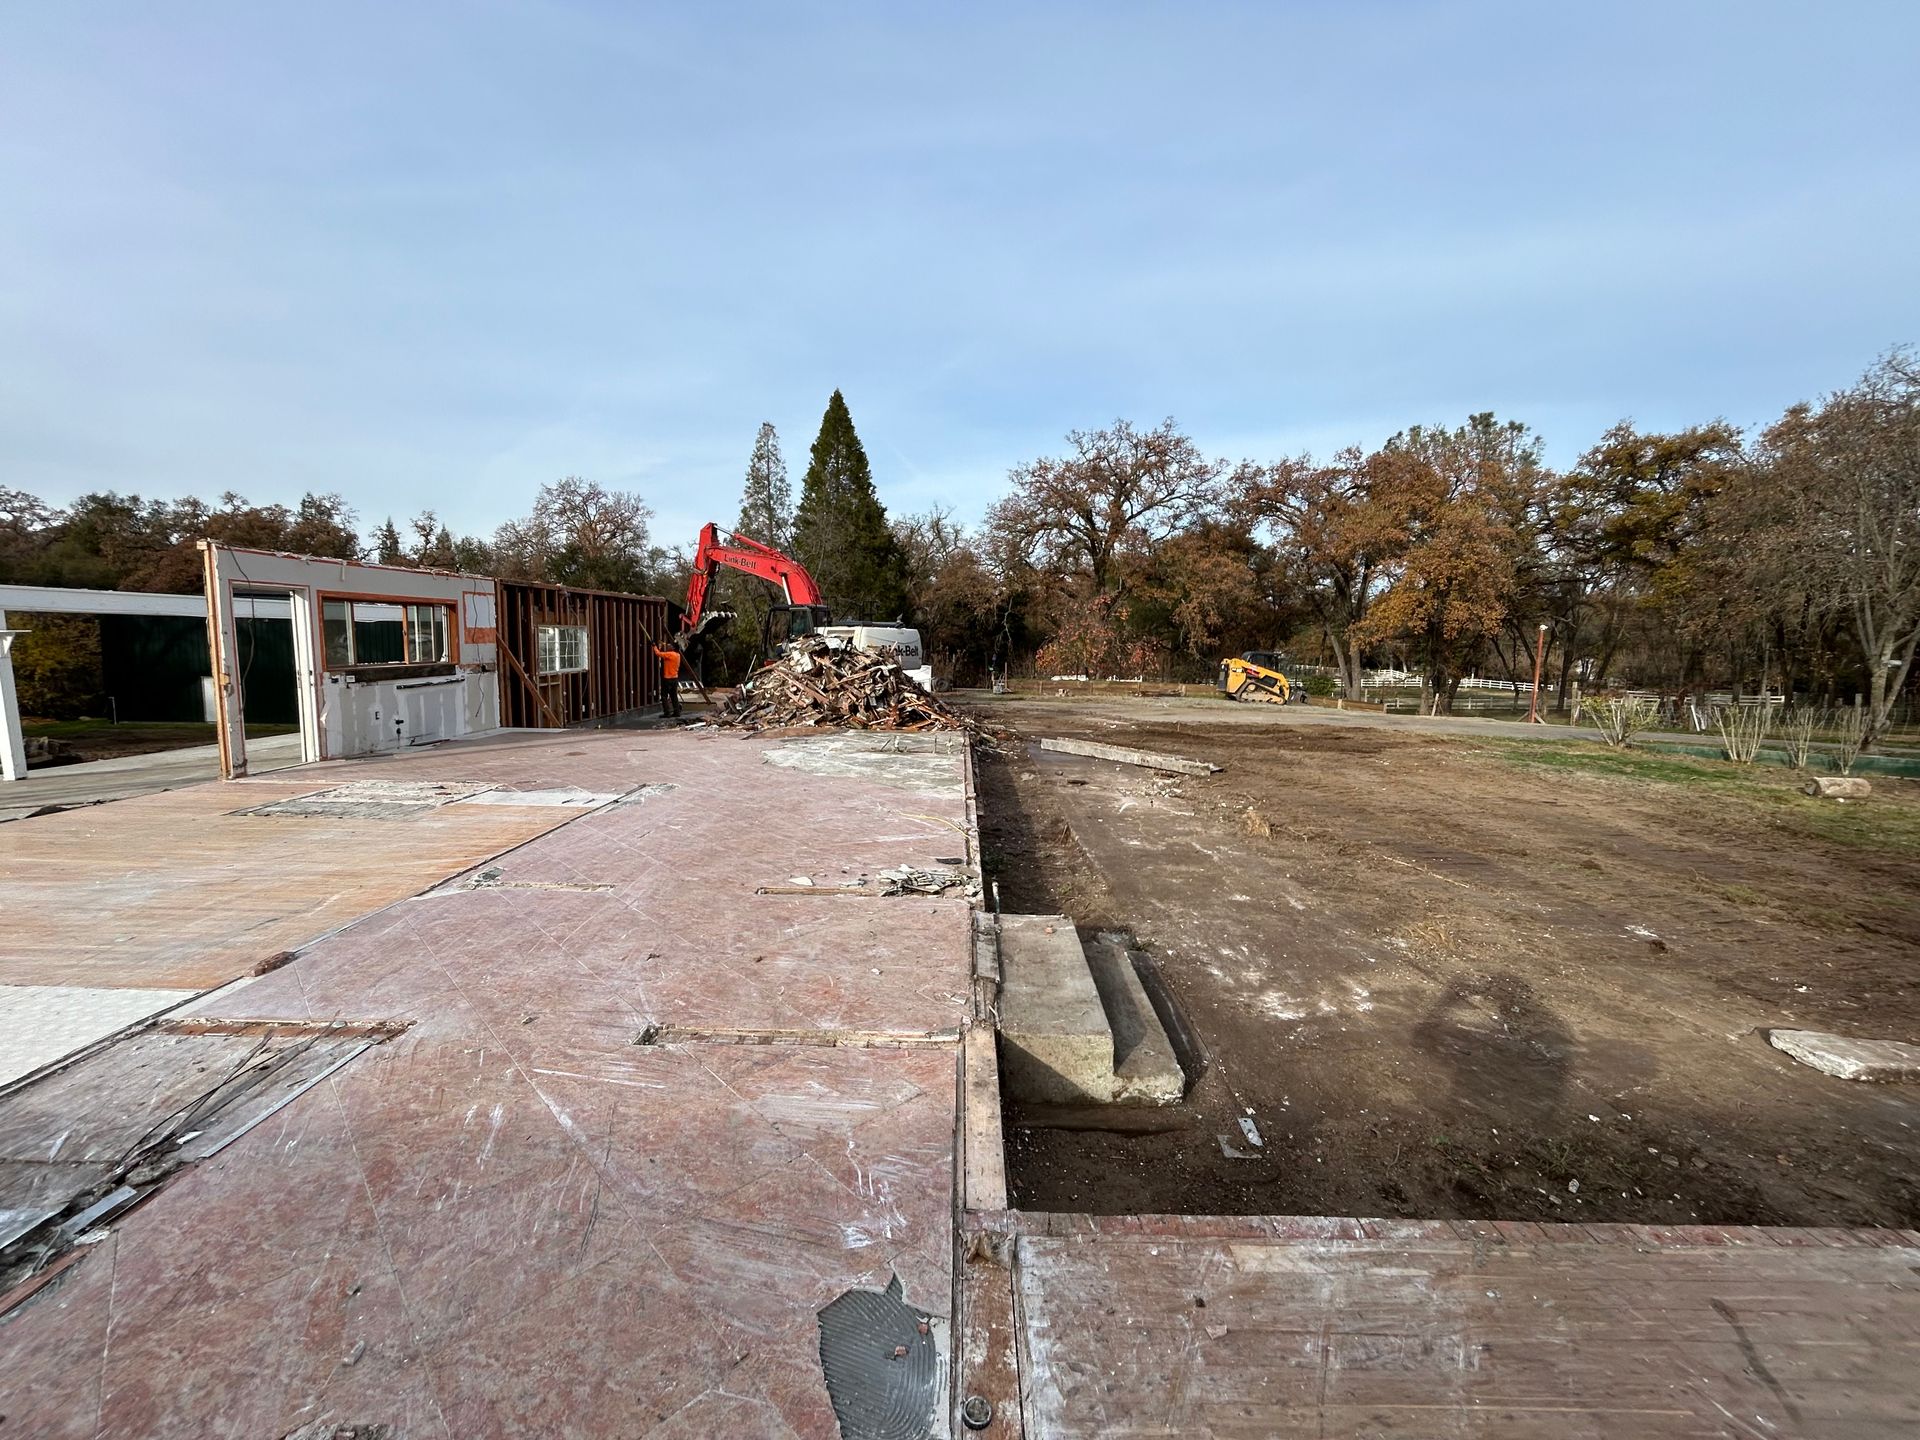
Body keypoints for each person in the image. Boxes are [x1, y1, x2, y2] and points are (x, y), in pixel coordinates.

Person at [652, 640, 683, 718]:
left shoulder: (670, 654)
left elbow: (658, 654)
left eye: (670, 645)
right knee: (674, 696)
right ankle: (677, 712)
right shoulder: (678, 655)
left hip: (667, 679)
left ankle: (667, 712)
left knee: (664, 696)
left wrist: (654, 646)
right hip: (675, 678)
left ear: (673, 647)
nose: (668, 646)